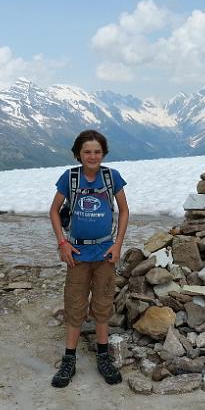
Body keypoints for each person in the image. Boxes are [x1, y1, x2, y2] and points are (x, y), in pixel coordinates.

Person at [48, 130, 129, 387]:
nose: (92, 156)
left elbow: (124, 211)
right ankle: (69, 358)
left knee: (103, 303)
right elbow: (53, 210)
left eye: (96, 151)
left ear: (103, 153)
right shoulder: (70, 178)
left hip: (105, 253)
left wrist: (117, 245)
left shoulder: (111, 177)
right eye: (87, 152)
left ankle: (103, 355)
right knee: (74, 303)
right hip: (78, 253)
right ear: (78, 154)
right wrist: (63, 243)